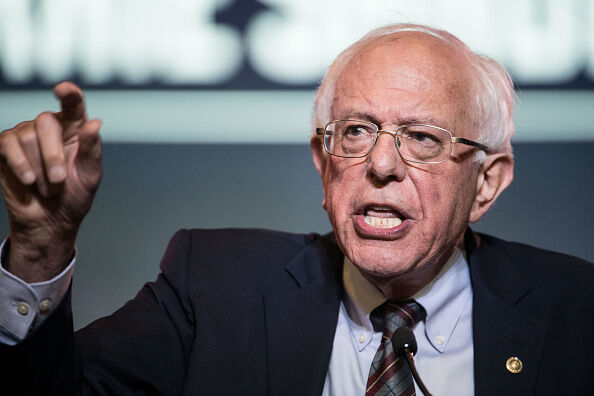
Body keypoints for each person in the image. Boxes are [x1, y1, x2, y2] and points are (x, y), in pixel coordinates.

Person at [0, 23, 592, 395]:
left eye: (422, 138)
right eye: (357, 131)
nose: (382, 165)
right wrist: (39, 247)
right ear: (323, 160)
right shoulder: (212, 286)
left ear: (487, 184)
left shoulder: (577, 315)